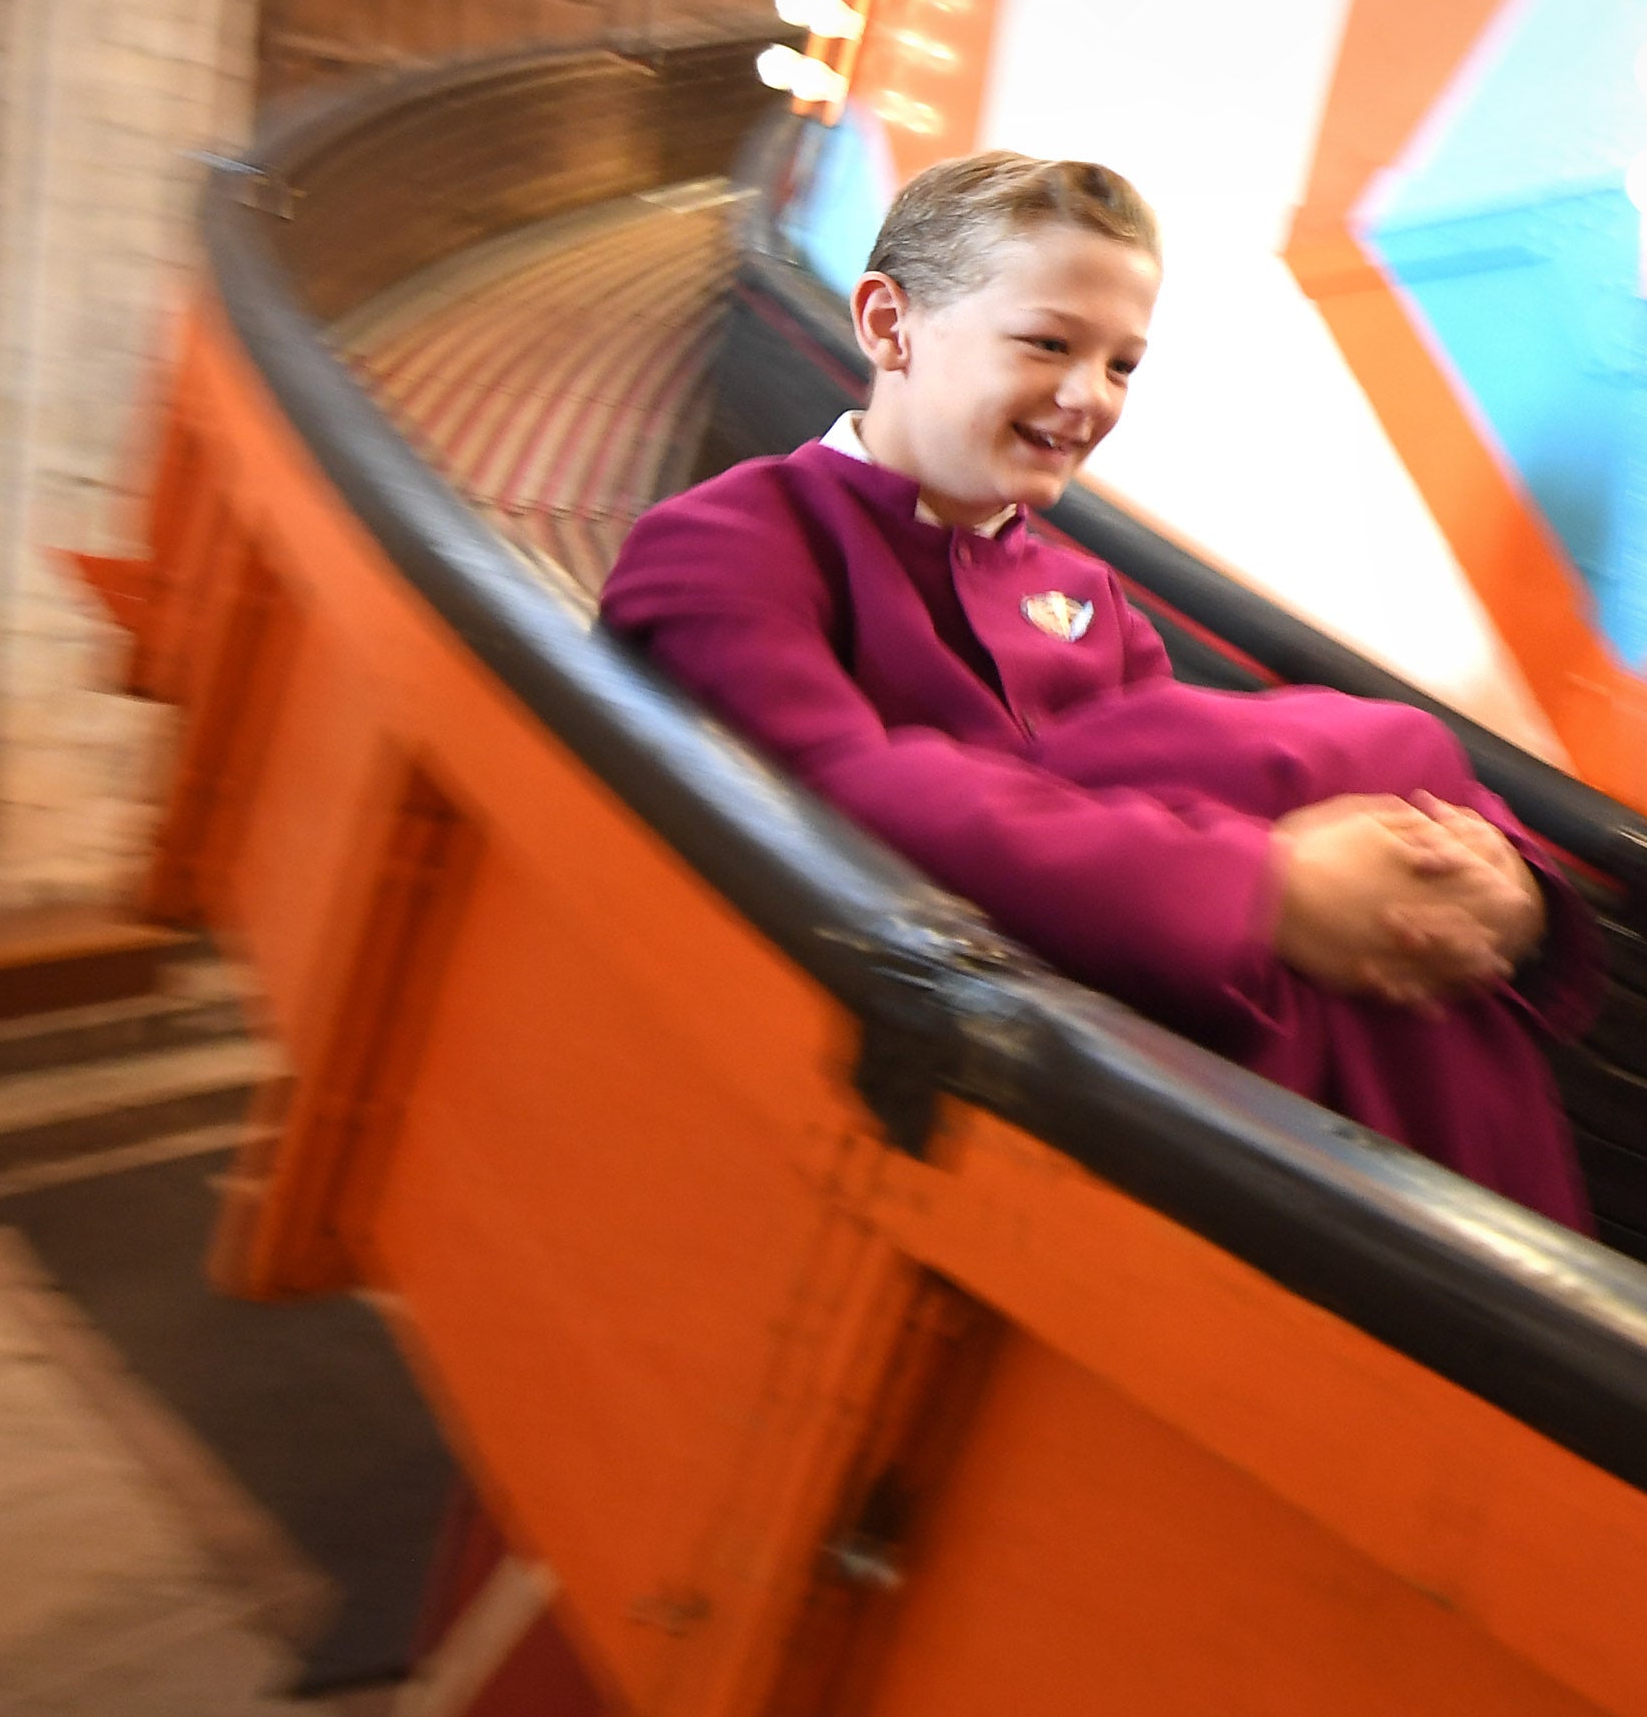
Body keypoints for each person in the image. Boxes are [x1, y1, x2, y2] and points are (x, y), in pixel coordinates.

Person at [598, 150, 1596, 1225]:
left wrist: (1511, 889)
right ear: (889, 325)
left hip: (1125, 1043)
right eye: (1047, 343)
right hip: (914, 1081)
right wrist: (1271, 890)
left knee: (1382, 799)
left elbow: (1175, 782)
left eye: (1122, 365)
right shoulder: (725, 540)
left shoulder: (1084, 591)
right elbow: (830, 792)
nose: (1088, 398)